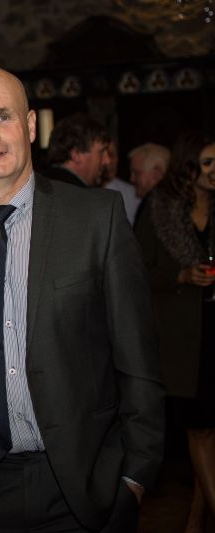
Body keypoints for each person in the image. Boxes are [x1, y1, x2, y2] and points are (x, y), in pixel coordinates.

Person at [0, 66, 164, 532]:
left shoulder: (97, 220)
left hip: (82, 488)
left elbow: (137, 356)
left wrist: (135, 474)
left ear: (31, 126)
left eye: (4, 116)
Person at [135, 132, 215, 533]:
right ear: (188, 165)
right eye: (207, 162)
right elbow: (136, 271)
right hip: (183, 337)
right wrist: (180, 275)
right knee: (200, 427)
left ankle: (195, 521)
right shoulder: (160, 207)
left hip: (214, 326)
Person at [43, 113, 111, 187]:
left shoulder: (40, 184)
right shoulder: (78, 192)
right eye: (101, 152)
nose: (107, 161)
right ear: (76, 154)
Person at [101, 140, 141, 226]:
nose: (109, 161)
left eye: (112, 155)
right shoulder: (83, 190)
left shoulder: (132, 193)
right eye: (103, 154)